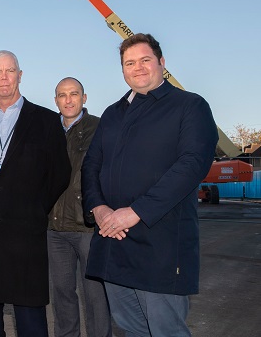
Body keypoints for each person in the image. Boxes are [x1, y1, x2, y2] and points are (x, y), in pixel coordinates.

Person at [81, 34, 218, 336]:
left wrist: (136, 211)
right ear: (123, 70)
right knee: (131, 329)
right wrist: (99, 208)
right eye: (130, 63)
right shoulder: (112, 114)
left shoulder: (189, 106)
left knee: (165, 329)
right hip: (113, 241)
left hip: (161, 247)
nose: (138, 67)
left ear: (162, 63)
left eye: (145, 60)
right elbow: (91, 165)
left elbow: (191, 165)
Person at [0, 50, 70, 337]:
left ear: (20, 75)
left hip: (25, 234)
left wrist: (33, 207)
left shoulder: (46, 121)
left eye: (10, 71)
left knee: (30, 315)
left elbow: (59, 174)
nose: (4, 77)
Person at [48, 77, 111, 337]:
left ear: (84, 98)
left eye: (74, 94)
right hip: (53, 227)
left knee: (95, 294)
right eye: (62, 95)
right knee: (62, 294)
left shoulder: (100, 128)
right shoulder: (48, 129)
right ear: (56, 101)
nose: (68, 100)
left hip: (87, 226)